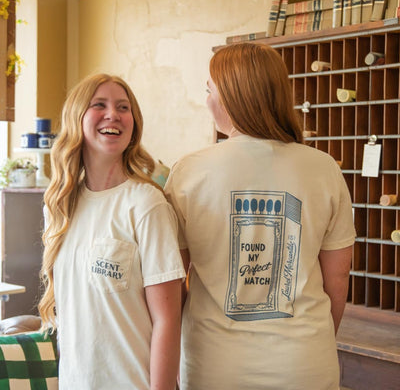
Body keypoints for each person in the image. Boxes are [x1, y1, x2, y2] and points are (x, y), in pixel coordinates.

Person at [164, 43, 356, 390]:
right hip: (305, 363)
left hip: (213, 364)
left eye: (209, 90)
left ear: (231, 98)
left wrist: (172, 355)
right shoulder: (323, 169)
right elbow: (337, 278)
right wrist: (315, 341)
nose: (207, 101)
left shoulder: (189, 171)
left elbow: (173, 283)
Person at [39, 73, 186, 390]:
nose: (113, 115)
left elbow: (167, 320)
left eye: (123, 107)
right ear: (77, 117)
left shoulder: (146, 205)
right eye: (99, 105)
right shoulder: (61, 207)